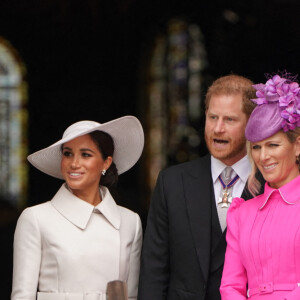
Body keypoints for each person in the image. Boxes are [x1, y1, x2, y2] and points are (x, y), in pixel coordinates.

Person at [138, 74, 264, 300]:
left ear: (252, 123)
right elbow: (154, 268)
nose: (218, 128)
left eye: (230, 120)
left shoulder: (272, 184)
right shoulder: (172, 182)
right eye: (212, 117)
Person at [11, 116, 144, 300]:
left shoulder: (130, 222)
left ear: (106, 162)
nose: (74, 163)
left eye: (86, 154)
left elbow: (130, 296)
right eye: (67, 153)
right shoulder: (35, 218)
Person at [220, 73, 300, 300]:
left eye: (272, 145)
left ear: (297, 146)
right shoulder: (241, 214)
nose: (263, 156)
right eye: (256, 147)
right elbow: (230, 286)